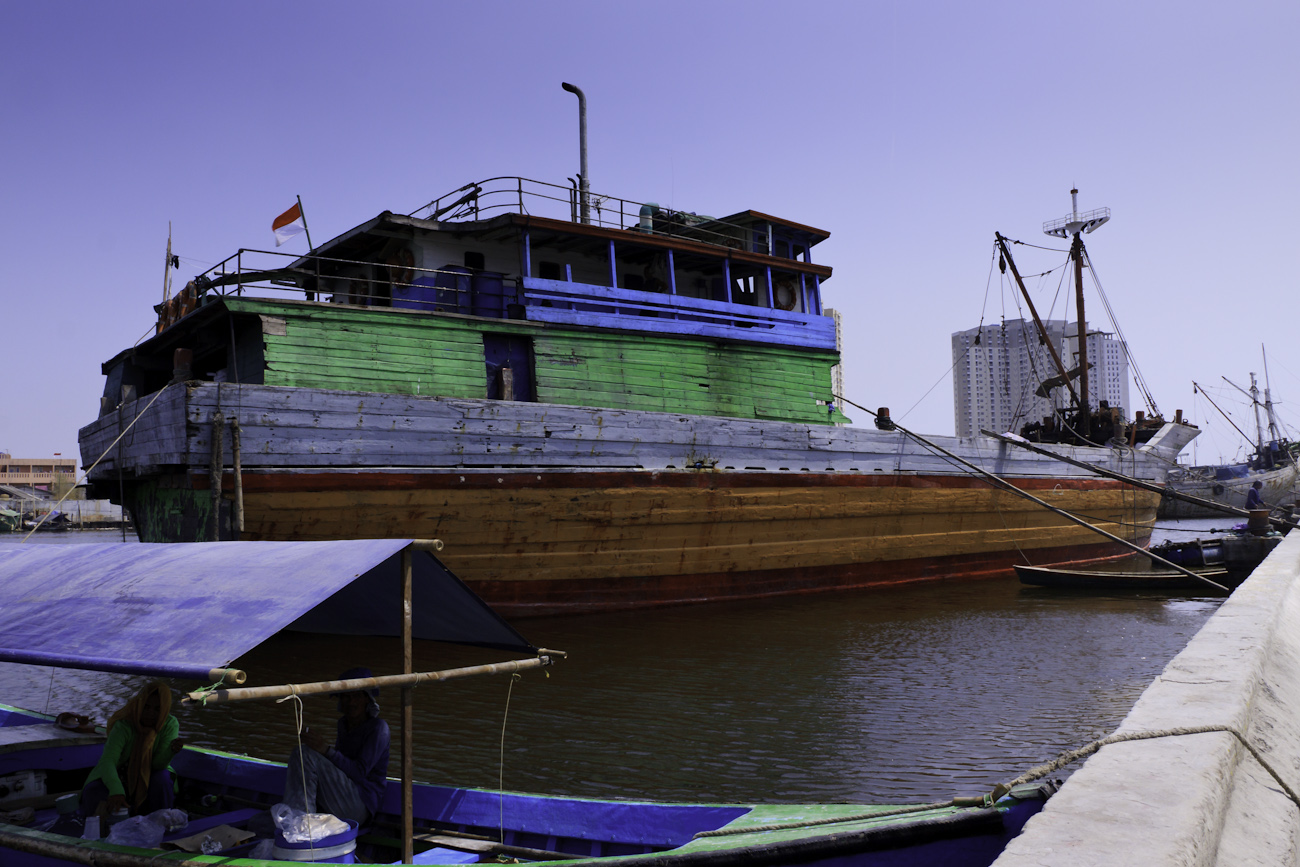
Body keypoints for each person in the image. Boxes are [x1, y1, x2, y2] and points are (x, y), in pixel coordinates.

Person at [283, 667, 390, 826]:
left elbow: (359, 773)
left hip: (359, 805)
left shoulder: (378, 728)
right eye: (346, 697)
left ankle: (302, 826)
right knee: (260, 823)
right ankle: (299, 819)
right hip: (339, 797)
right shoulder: (343, 724)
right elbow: (339, 767)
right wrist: (319, 748)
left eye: (356, 696)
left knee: (305, 754)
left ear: (367, 699)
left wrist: (325, 750)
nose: (351, 702)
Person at [81, 680, 183, 817]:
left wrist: (171, 752)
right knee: (94, 790)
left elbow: (157, 765)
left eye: (157, 709)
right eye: (146, 707)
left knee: (162, 780)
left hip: (150, 774)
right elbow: (108, 761)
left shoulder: (169, 724)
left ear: (164, 709)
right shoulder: (123, 725)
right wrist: (116, 791)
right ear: (139, 704)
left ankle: (161, 824)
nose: (150, 713)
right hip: (119, 774)